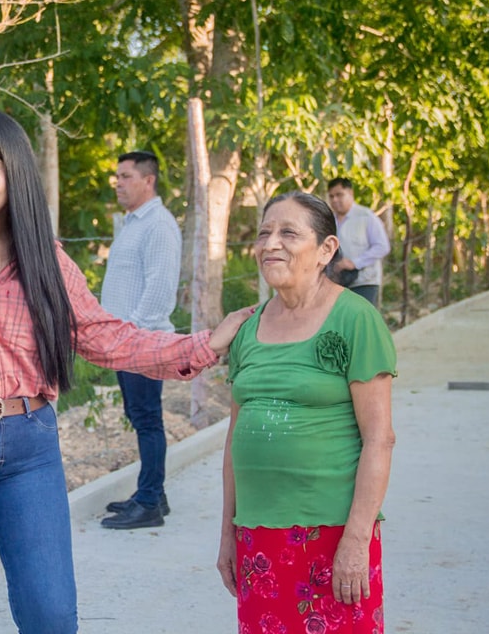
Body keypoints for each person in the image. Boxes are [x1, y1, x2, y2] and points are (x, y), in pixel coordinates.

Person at [0, 107, 255, 634]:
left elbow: (100, 335)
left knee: (51, 615)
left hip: (29, 444)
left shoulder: (46, 256)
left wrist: (204, 344)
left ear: (13, 170)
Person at [216, 190, 397, 633]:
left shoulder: (355, 319)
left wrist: (356, 540)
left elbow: (380, 438)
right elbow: (235, 440)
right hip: (259, 533)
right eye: (264, 233)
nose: (270, 244)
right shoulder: (247, 326)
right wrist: (228, 533)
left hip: (332, 533)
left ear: (326, 250)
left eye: (288, 233)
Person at [99, 150, 180, 530]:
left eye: (126, 175)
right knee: (139, 418)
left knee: (148, 420)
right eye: (117, 175)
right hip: (124, 342)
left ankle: (149, 502)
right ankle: (153, 493)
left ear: (149, 180)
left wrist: (131, 337)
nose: (118, 182)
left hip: (141, 343)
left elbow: (161, 289)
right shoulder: (132, 223)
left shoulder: (158, 225)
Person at [327, 177, 391, 306]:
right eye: (331, 196)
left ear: (350, 193)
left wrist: (354, 263)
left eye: (339, 195)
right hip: (337, 283)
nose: (335, 200)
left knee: (361, 321)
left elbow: (382, 246)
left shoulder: (366, 217)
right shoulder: (329, 221)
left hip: (364, 281)